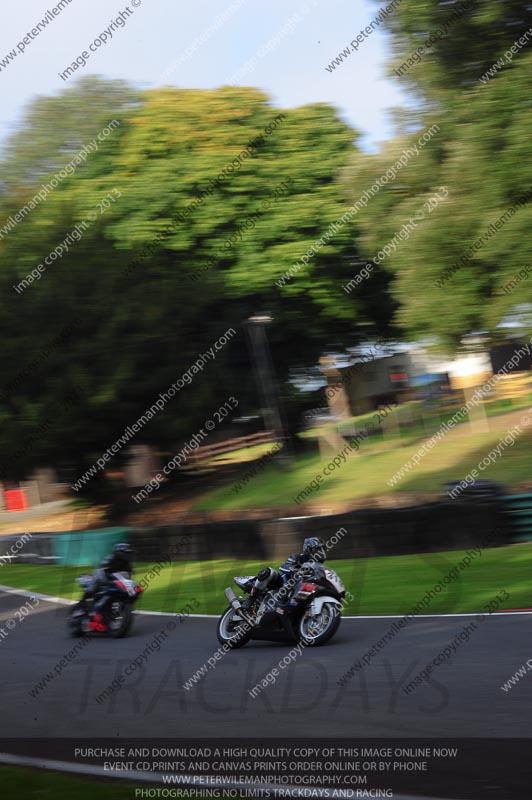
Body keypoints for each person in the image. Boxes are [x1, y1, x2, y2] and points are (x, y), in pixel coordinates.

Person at [242, 537, 327, 614]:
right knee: (269, 572)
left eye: (322, 550)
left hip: (299, 592)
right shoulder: (297, 557)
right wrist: (296, 571)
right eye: (318, 550)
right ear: (309, 550)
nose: (321, 553)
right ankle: (251, 599)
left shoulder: (318, 567)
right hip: (281, 585)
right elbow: (283, 567)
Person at [86, 543, 133, 632]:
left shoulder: (128, 565)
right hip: (102, 579)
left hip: (115, 583)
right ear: (118, 552)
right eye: (125, 553)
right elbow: (102, 568)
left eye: (128, 553)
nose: (127, 555)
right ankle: (88, 602)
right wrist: (106, 576)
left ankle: (109, 614)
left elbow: (129, 577)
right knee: (94, 583)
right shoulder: (110, 558)